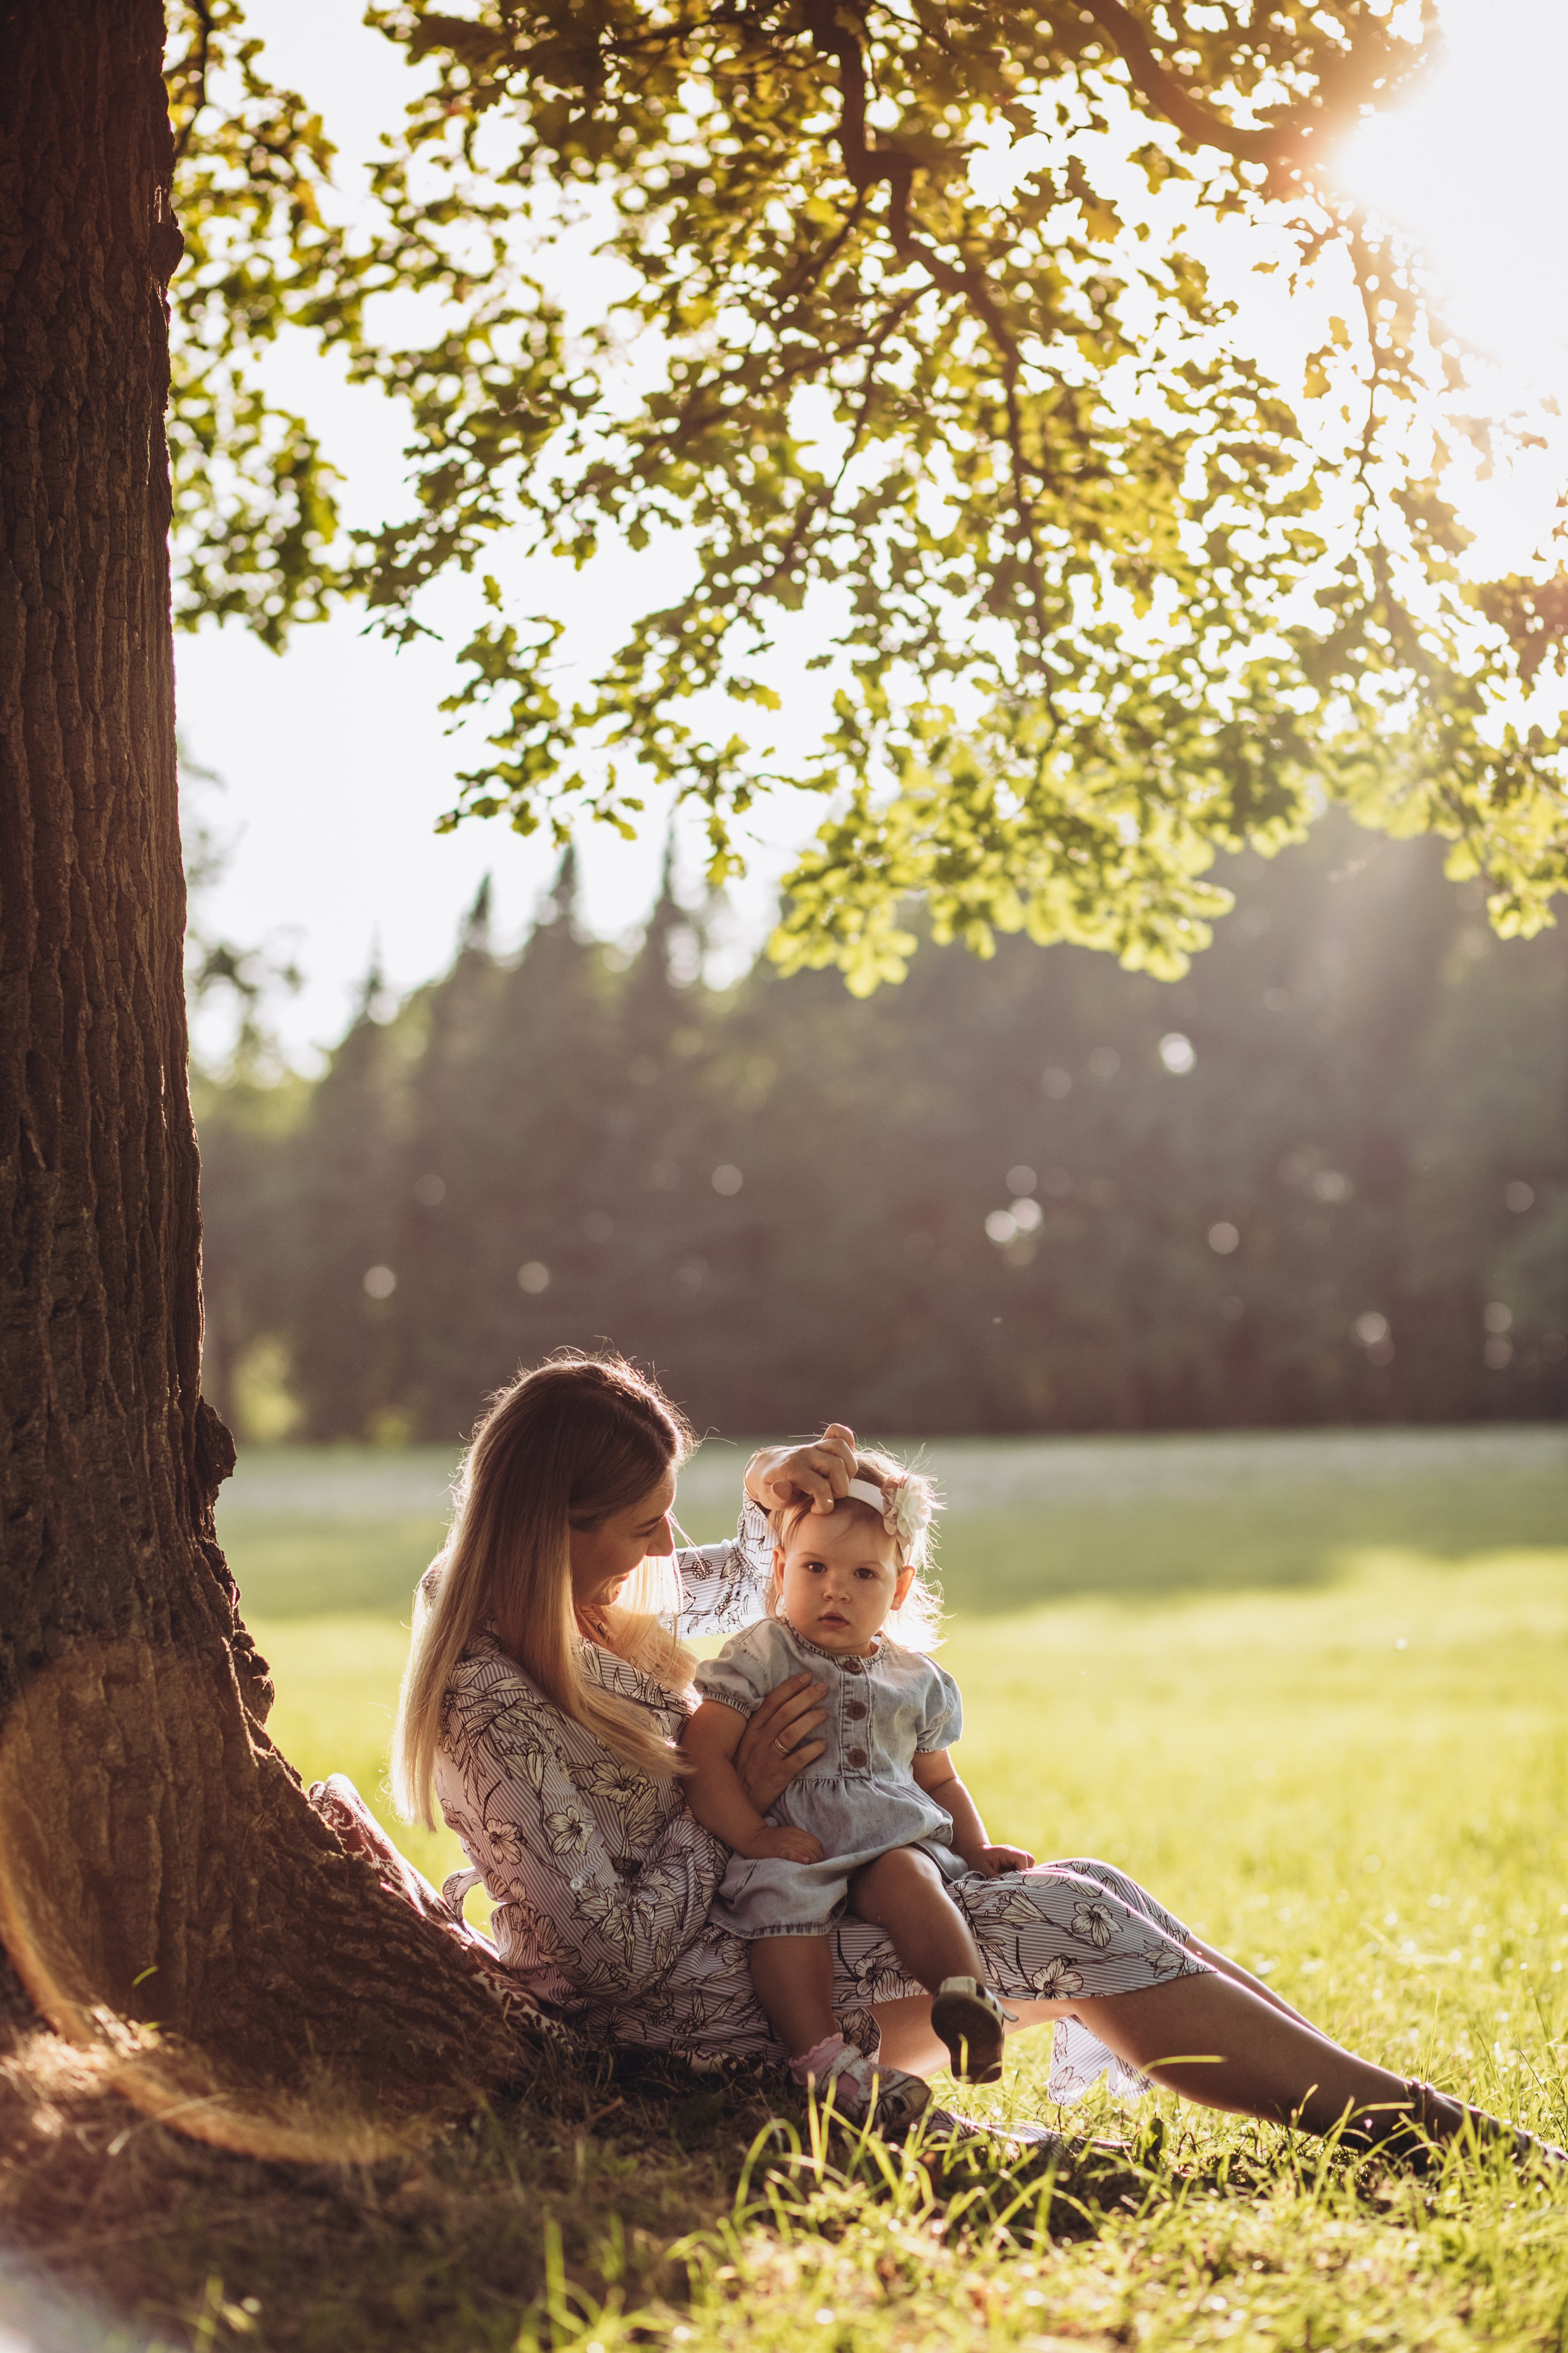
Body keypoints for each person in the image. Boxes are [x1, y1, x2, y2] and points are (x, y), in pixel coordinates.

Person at [391, 1351, 1564, 2167]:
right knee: (1064, 1922)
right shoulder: (490, 1695)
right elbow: (611, 1963)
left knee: (1085, 1890)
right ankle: (1419, 2127)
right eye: (641, 1520)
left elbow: (706, 1582)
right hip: (697, 2002)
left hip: (760, 1916)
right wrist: (730, 1798)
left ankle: (1394, 2109)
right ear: (553, 1522)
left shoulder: (568, 1592)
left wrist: (769, 1500)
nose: (665, 1542)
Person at [682, 1449, 1033, 2128]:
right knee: (779, 1898)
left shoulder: (915, 1678)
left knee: (909, 1876)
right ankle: (820, 2055)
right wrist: (752, 1835)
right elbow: (703, 1753)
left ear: (897, 1590)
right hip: (797, 1839)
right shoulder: (761, 1653)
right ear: (781, 1571)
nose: (834, 1590)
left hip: (887, 1837)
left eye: (862, 1574)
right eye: (814, 1569)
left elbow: (940, 1778)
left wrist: (977, 1845)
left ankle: (967, 2000)